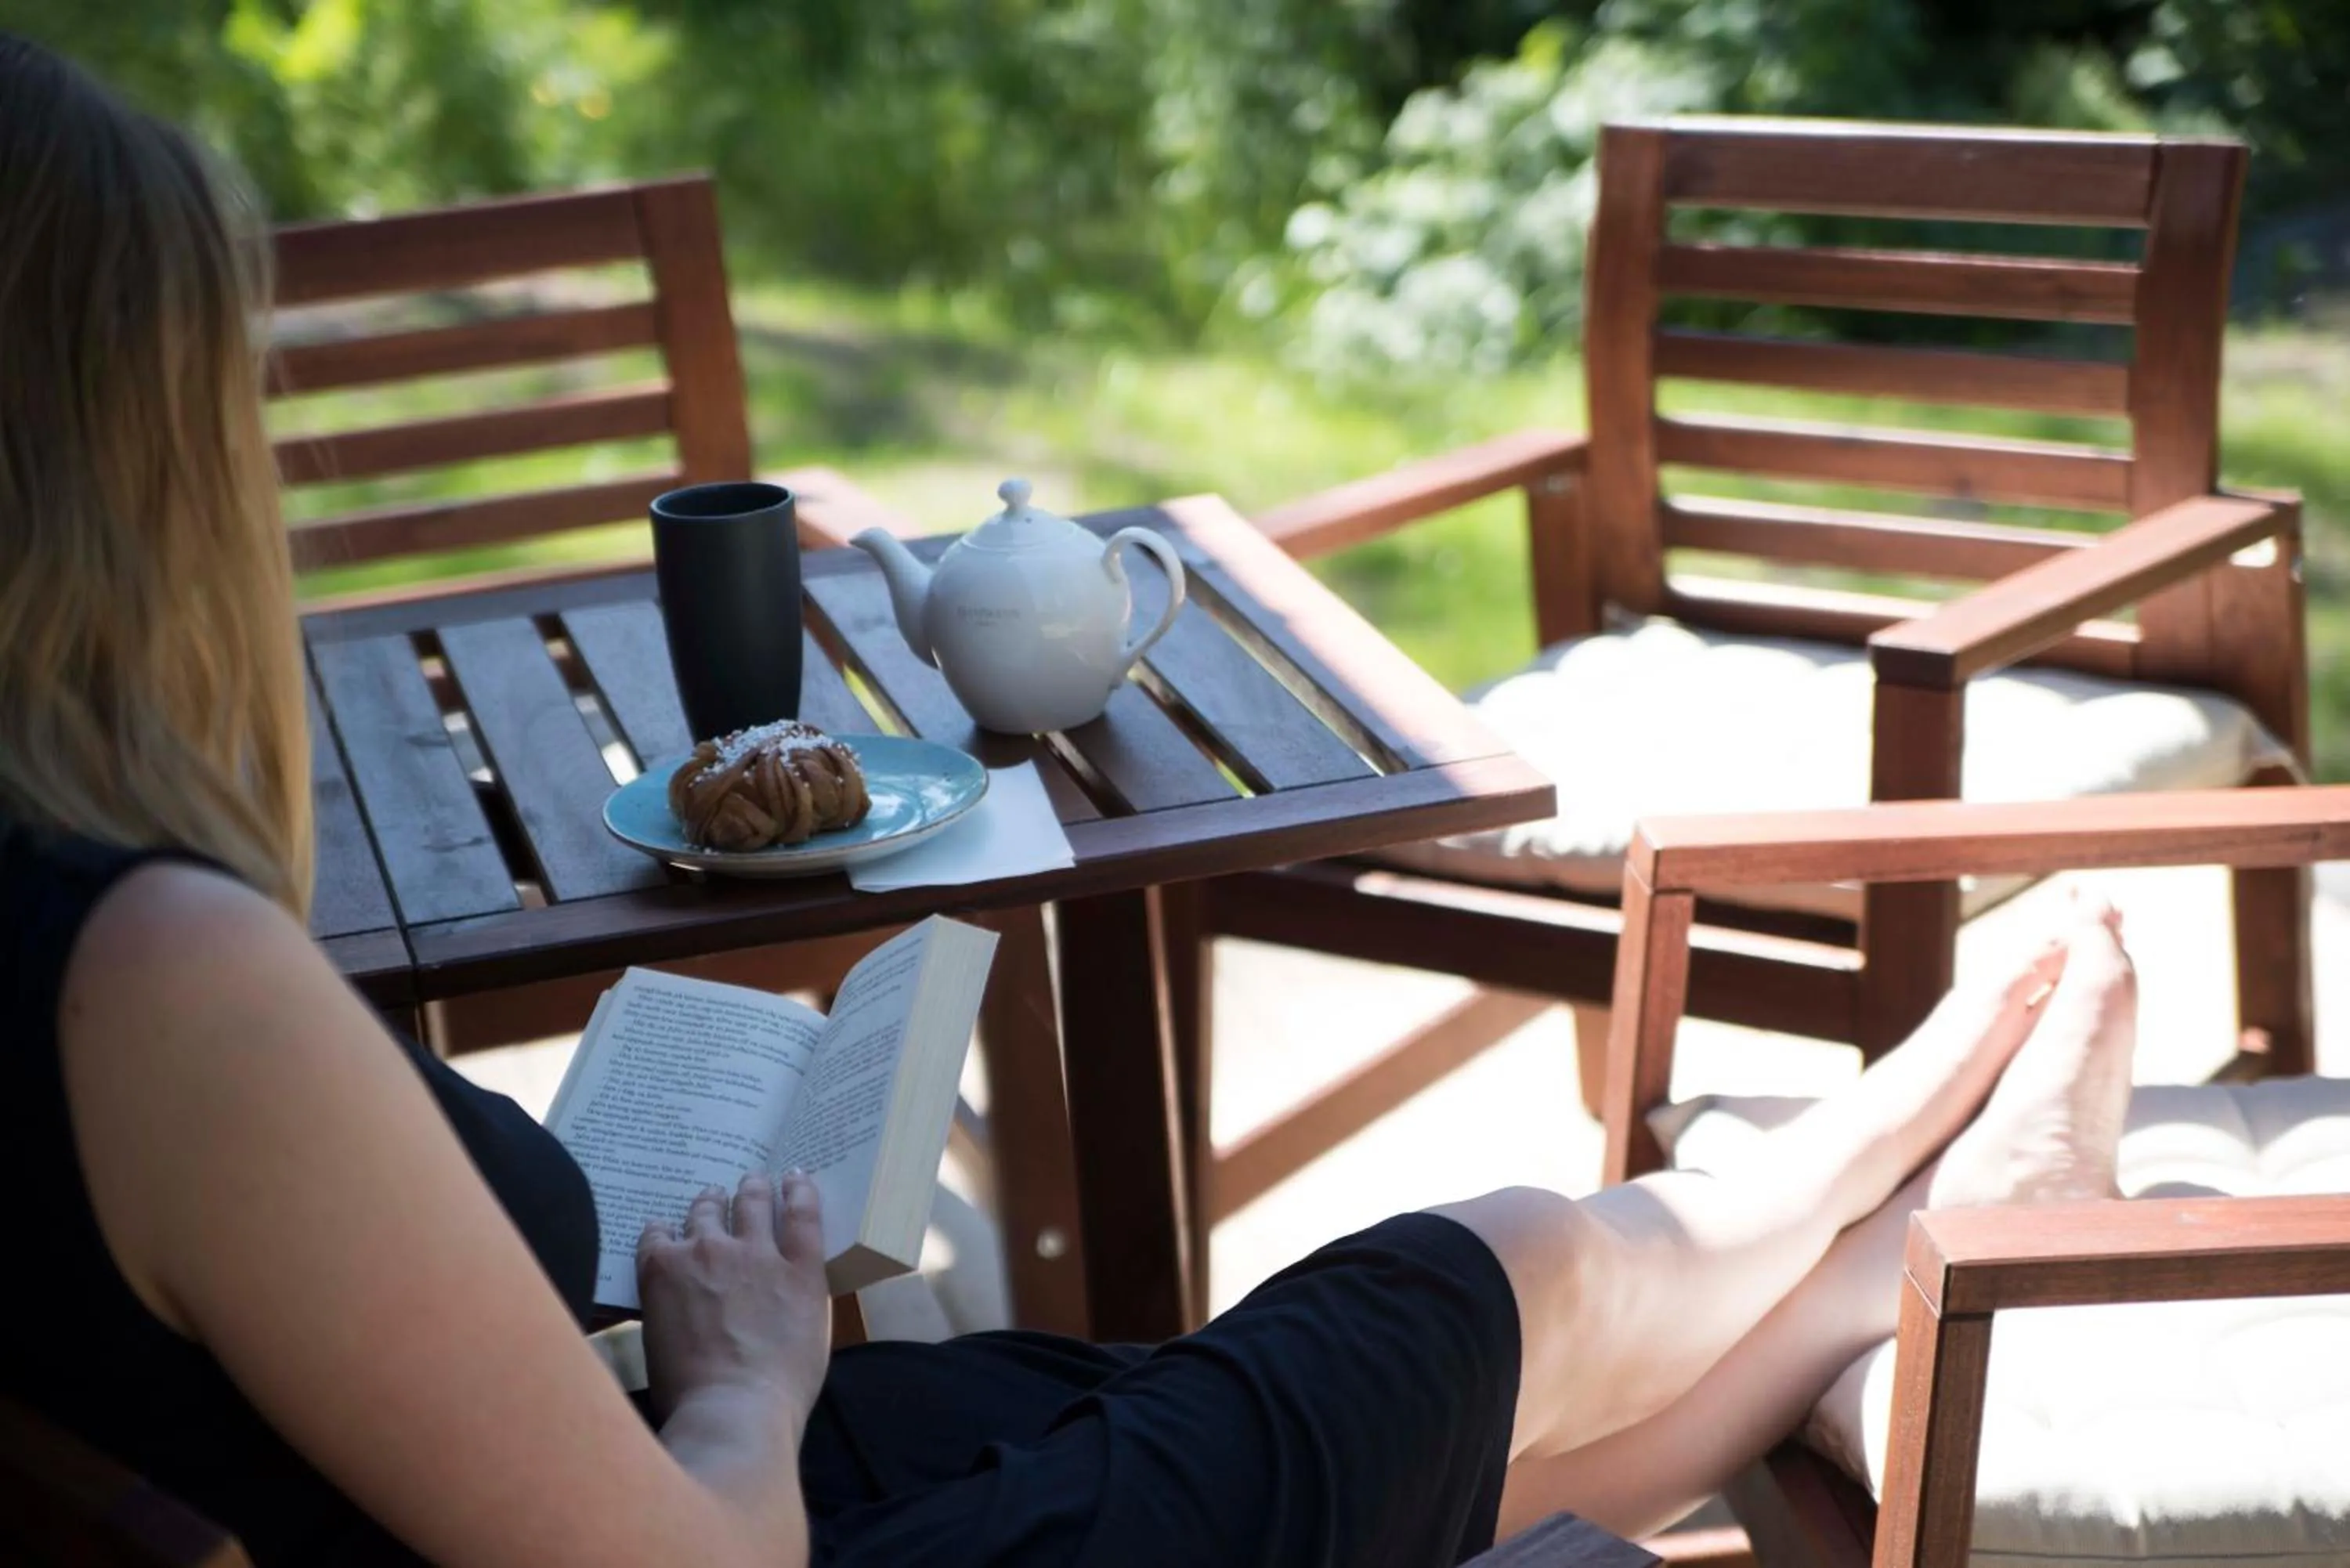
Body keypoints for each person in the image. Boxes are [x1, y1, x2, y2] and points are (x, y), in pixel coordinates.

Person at [0, 34, 2143, 1568]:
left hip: (557, 1464)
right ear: (130, 470)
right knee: (1463, 1287)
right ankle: (1907, 1137)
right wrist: (746, 1369)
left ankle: (1903, 1257)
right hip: (700, 1484)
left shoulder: (82, 945)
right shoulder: (155, 973)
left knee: (1280, 1430)